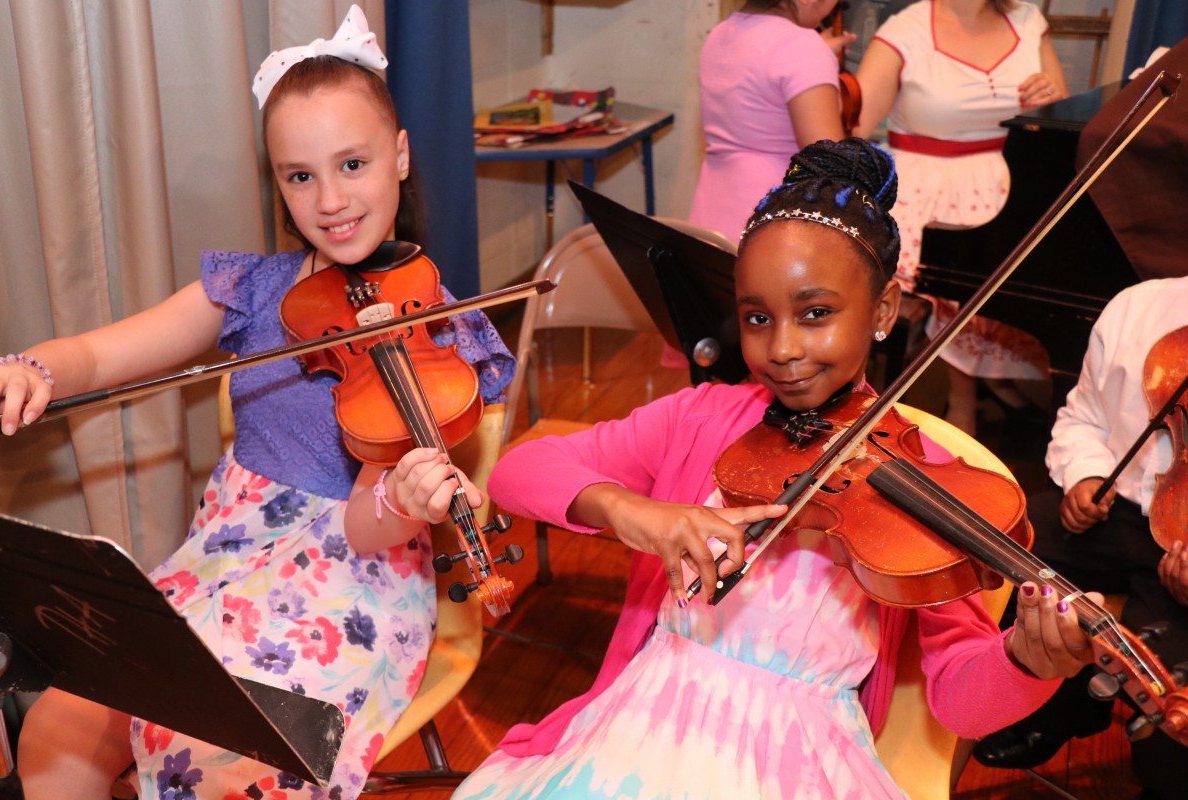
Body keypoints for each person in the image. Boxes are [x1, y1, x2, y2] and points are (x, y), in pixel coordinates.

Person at [451, 138, 1095, 799]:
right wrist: (635, 512)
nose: (782, 348)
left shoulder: (932, 487)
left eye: (816, 314)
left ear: (881, 311)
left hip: (800, 763)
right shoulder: (702, 418)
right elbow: (519, 470)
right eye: (758, 317)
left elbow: (960, 698)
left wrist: (1027, 661)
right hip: (639, 728)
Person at [0, 7, 513, 799]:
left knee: (220, 764)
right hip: (225, 560)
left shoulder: (441, 330)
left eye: (353, 164)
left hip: (350, 578)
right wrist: (29, 369)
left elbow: (380, 521)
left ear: (400, 157)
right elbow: (99, 352)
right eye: (300, 176)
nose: (330, 199)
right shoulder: (252, 290)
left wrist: (406, 499)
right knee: (56, 731)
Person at [972, 277, 1188, 800]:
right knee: (1000, 550)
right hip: (1118, 512)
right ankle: (1055, 709)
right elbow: (1084, 417)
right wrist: (1086, 476)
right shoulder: (1137, 305)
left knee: (1169, 739)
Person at [853, 0, 1068, 435]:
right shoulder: (906, 29)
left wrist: (1051, 100)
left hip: (1008, 183)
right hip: (923, 189)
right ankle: (962, 405)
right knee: (954, 278)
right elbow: (854, 127)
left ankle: (1001, 387)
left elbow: (1063, 116)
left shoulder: (1028, 21)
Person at [688, 0, 851, 245]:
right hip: (772, 228)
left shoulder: (721, 33)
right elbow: (830, 168)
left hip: (710, 218)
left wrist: (815, 56)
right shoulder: (802, 47)